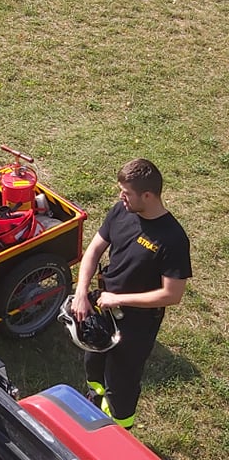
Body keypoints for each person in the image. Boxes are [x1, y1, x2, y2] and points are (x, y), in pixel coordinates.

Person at [71, 158, 192, 430]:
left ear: (147, 195)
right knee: (93, 364)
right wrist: (81, 292)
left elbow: (172, 294)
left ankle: (119, 430)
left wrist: (119, 299)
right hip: (103, 309)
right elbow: (94, 250)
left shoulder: (173, 240)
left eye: (126, 193)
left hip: (136, 323)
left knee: (121, 383)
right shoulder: (121, 211)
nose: (120, 197)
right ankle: (94, 401)